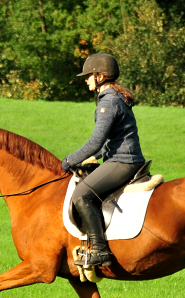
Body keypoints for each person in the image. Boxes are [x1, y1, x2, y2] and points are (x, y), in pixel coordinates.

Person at [62, 53, 146, 268]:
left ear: (100, 76)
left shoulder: (109, 102)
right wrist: (87, 160)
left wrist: (69, 160)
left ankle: (100, 250)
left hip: (123, 162)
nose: (86, 79)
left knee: (81, 195)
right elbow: (102, 146)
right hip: (122, 159)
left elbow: (95, 141)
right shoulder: (115, 98)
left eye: (89, 75)